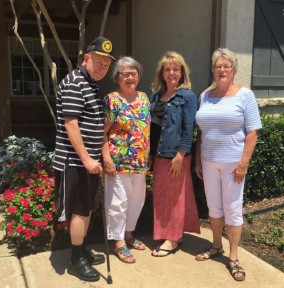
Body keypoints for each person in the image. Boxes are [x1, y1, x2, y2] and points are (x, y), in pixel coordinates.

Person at [194, 48, 262, 282]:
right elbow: (201, 132)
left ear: (233, 70)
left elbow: (252, 132)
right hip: (208, 161)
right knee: (214, 207)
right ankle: (216, 246)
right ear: (213, 70)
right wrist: (197, 159)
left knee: (232, 208)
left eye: (226, 66)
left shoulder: (245, 95)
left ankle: (233, 257)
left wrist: (244, 163)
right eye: (217, 66)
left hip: (233, 162)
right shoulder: (205, 95)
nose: (222, 70)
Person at [53, 36, 115, 282]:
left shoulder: (91, 84)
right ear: (86, 58)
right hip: (76, 162)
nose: (103, 68)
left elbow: (91, 123)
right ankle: (75, 259)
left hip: (88, 163)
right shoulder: (75, 82)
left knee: (87, 209)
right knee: (79, 211)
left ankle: (82, 250)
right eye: (99, 62)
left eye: (107, 65)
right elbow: (71, 124)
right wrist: (88, 159)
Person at [149, 51, 200, 257]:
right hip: (159, 155)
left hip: (176, 155)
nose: (171, 72)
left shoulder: (187, 96)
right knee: (162, 197)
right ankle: (169, 233)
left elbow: (189, 128)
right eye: (167, 69)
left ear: (182, 73)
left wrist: (181, 154)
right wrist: (151, 154)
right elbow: (152, 129)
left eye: (175, 69)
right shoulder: (155, 96)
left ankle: (173, 238)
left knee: (176, 197)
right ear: (162, 73)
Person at [102, 56, 150, 263]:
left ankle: (129, 234)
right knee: (117, 203)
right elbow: (102, 133)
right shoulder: (112, 100)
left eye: (134, 73)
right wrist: (106, 159)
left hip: (140, 162)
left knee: (137, 201)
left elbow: (147, 130)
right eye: (125, 74)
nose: (130, 78)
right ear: (117, 77)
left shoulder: (145, 98)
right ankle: (118, 242)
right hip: (118, 162)